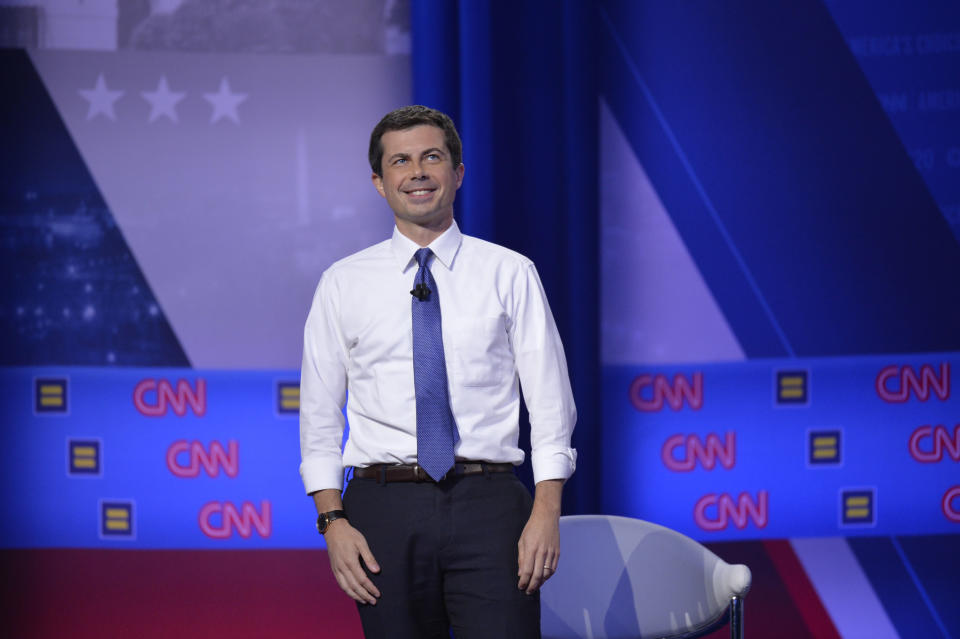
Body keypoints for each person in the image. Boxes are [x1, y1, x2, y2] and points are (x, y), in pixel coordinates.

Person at [299, 105, 577, 639]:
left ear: (458, 173)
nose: (417, 172)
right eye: (400, 161)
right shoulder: (342, 283)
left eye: (432, 156)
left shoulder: (510, 272)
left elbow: (550, 406)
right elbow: (319, 420)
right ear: (380, 183)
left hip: (491, 505)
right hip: (382, 508)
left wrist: (546, 510)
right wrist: (333, 523)